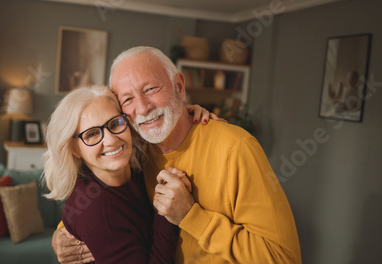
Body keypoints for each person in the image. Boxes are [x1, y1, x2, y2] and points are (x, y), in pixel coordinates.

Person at [53, 46, 302, 264]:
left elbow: (283, 259)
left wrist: (192, 216)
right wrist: (62, 233)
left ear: (179, 86)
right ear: (123, 113)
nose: (142, 107)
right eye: (128, 99)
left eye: (150, 88)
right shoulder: (136, 152)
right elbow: (103, 207)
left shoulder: (235, 148)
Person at [44, 85, 212, 263]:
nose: (111, 140)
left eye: (115, 123)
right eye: (92, 134)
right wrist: (166, 215)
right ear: (74, 149)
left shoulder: (137, 167)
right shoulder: (97, 212)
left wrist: (184, 114)